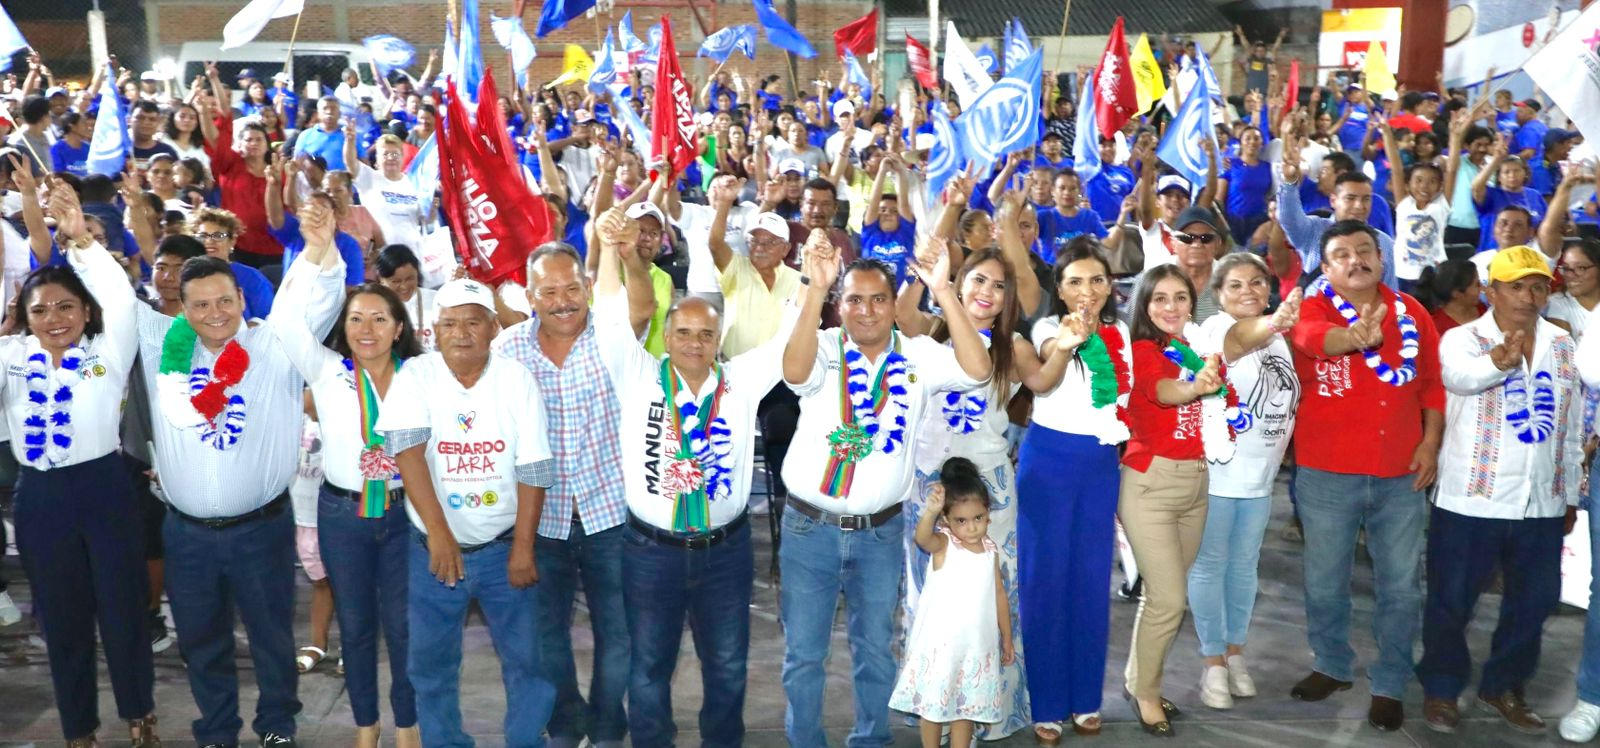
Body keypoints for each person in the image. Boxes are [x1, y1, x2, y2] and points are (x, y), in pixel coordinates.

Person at [135, 202, 348, 746]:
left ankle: (277, 726)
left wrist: (321, 244)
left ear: (241, 299)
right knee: (202, 641)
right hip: (186, 534)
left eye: (224, 301)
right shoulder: (162, 345)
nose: (214, 313)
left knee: (272, 636)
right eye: (201, 304)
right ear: (179, 308)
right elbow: (107, 296)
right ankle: (217, 730)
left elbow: (318, 301)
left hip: (260, 528)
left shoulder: (273, 344)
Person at [588, 207, 797, 746]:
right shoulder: (637, 376)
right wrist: (613, 249)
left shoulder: (743, 380)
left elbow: (786, 343)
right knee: (649, 669)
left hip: (724, 553)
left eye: (706, 334)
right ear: (668, 332)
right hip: (651, 551)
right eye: (683, 332)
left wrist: (815, 285)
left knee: (727, 667)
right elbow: (610, 319)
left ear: (719, 336)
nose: (695, 343)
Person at [778, 234, 992, 746]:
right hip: (810, 528)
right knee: (805, 653)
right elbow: (792, 372)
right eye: (854, 299)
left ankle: (870, 740)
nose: (867, 311)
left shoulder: (919, 356)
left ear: (894, 306)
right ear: (840, 305)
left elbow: (979, 369)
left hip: (878, 532)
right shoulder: (825, 346)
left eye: (879, 299)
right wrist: (816, 291)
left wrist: (943, 290)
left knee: (876, 648)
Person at [6, 184, 161, 746]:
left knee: (123, 611)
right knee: (61, 618)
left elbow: (120, 298)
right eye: (40, 309)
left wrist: (79, 239)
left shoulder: (109, 347)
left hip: (104, 488)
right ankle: (79, 730)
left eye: (66, 306)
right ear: (24, 316)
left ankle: (140, 715)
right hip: (40, 498)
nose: (54, 318)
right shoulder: (10, 357)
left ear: (85, 311)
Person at [376, 276, 558, 747]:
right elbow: (407, 451)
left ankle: (525, 741)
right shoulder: (416, 375)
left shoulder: (516, 380)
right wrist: (439, 534)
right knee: (431, 665)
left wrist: (522, 549)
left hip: (502, 550)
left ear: (494, 328)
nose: (461, 333)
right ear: (434, 329)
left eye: (472, 322)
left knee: (527, 662)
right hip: (432, 553)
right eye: (449, 323)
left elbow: (534, 467)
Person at [269, 224, 425, 747]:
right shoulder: (327, 368)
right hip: (342, 516)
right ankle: (366, 725)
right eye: (356, 318)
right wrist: (315, 251)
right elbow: (285, 320)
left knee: (404, 630)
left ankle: (407, 725)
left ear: (398, 328)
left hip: (407, 518)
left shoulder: (422, 377)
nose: (366, 328)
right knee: (356, 629)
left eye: (380, 318)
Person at [1285, 220, 1443, 732]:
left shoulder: (1413, 313)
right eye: (1341, 254)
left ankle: (1390, 682)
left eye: (1364, 250)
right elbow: (1311, 339)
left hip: (1401, 472)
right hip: (1328, 472)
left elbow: (1432, 388)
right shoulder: (1311, 308)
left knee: (1400, 587)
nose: (1356, 260)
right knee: (1324, 580)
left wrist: (1430, 443)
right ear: (1326, 267)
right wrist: (1351, 337)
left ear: (1381, 256)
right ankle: (1331, 664)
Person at [1418, 246, 1582, 734]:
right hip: (1472, 498)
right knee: (1451, 600)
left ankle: (1503, 685)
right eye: (1516, 286)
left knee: (1533, 602)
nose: (1529, 297)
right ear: (1490, 291)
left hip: (1542, 501)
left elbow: (1571, 426)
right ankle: (1442, 689)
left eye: (1538, 286)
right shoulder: (1463, 339)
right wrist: (1498, 361)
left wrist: (1569, 490)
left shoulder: (1563, 343)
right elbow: (1460, 379)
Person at [895, 241, 1044, 740]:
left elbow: (1043, 383)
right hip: (930, 487)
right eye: (978, 279)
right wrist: (928, 269)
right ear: (959, 282)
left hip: (989, 496)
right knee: (929, 596)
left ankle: (987, 712)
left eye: (999, 285)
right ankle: (932, 705)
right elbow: (901, 310)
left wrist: (1065, 345)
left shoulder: (1015, 347)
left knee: (988, 599)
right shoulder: (931, 331)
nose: (988, 291)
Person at [492, 243, 632, 748]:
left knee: (620, 638)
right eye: (548, 291)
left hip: (611, 515)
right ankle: (568, 722)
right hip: (539, 523)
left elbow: (639, 305)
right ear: (529, 296)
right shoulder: (507, 350)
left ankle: (608, 724)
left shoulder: (615, 340)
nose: (562, 301)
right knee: (547, 638)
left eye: (572, 288)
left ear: (589, 288)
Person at [1016, 239, 1131, 743]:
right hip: (1050, 464)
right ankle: (1044, 701)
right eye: (1076, 282)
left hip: (1101, 465)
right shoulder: (1047, 328)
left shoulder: (1122, 332)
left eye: (1097, 280)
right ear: (1059, 291)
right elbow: (1044, 379)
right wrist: (1067, 342)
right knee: (1044, 583)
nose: (1088, 291)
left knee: (1089, 583)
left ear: (1110, 286)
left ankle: (1086, 696)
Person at [1118, 264, 1233, 737]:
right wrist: (1195, 388)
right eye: (1160, 298)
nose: (1171, 307)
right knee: (1169, 599)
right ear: (1144, 305)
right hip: (1151, 486)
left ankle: (1138, 680)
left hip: (1197, 484)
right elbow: (1164, 392)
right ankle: (1146, 693)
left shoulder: (1196, 349)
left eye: (1180, 297)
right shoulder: (1143, 350)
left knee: (1160, 599)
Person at [1187, 255, 1303, 709]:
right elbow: (1237, 342)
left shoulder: (1278, 341)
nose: (1248, 291)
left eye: (1257, 282)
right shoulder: (1216, 328)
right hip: (1218, 475)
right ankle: (1212, 661)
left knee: (1244, 568)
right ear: (1218, 294)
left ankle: (1236, 653)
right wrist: (1274, 321)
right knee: (1211, 565)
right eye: (1235, 285)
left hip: (1260, 477)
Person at [890, 457, 1015, 748]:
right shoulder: (944, 544)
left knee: (966, 708)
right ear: (946, 520)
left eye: (978, 518)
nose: (971, 528)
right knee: (933, 708)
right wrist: (930, 512)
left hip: (976, 646)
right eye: (961, 520)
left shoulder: (990, 551)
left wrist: (1006, 636)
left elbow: (998, 593)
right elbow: (922, 538)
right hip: (942, 647)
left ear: (988, 515)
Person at [184, 207, 276, 319]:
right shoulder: (184, 276)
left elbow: (266, 321)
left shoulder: (252, 278)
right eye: (203, 236)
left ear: (232, 241)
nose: (209, 241)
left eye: (218, 236)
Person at [375, 244, 437, 351]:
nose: (404, 286)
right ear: (381, 279)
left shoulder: (436, 300)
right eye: (396, 281)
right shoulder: (371, 307)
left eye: (410, 279)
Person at [1550, 240, 1600, 339]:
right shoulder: (1557, 303)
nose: (1570, 275)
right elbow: (1562, 353)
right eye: (1566, 268)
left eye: (1581, 268)